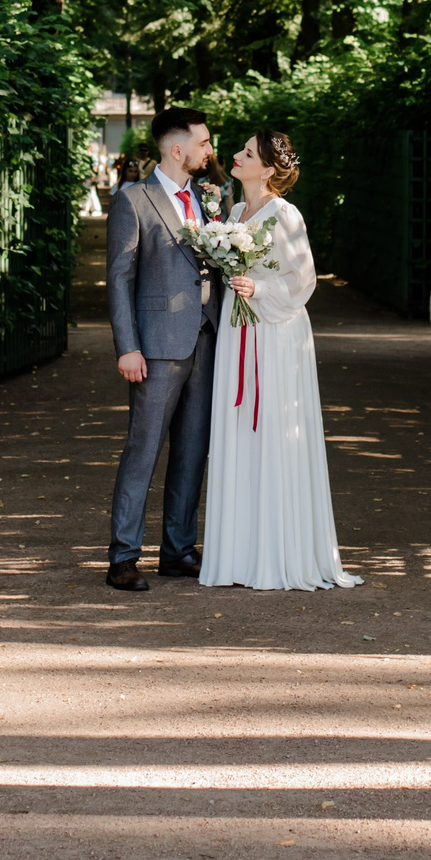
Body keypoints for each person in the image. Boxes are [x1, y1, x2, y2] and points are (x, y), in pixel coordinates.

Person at [199, 131, 362, 590]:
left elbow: (304, 281)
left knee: (272, 427)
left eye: (247, 153)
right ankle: (240, 555)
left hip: (274, 331)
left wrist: (261, 288)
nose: (235, 155)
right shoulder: (232, 212)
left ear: (268, 169)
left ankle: (279, 553)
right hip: (239, 326)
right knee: (238, 426)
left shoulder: (285, 214)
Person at [103, 106, 221, 591]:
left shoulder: (212, 199)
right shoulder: (134, 199)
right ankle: (124, 556)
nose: (210, 150)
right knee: (143, 449)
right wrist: (127, 347)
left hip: (207, 339)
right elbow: (118, 278)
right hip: (153, 347)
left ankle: (177, 551)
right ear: (179, 149)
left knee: (193, 452)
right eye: (205, 142)